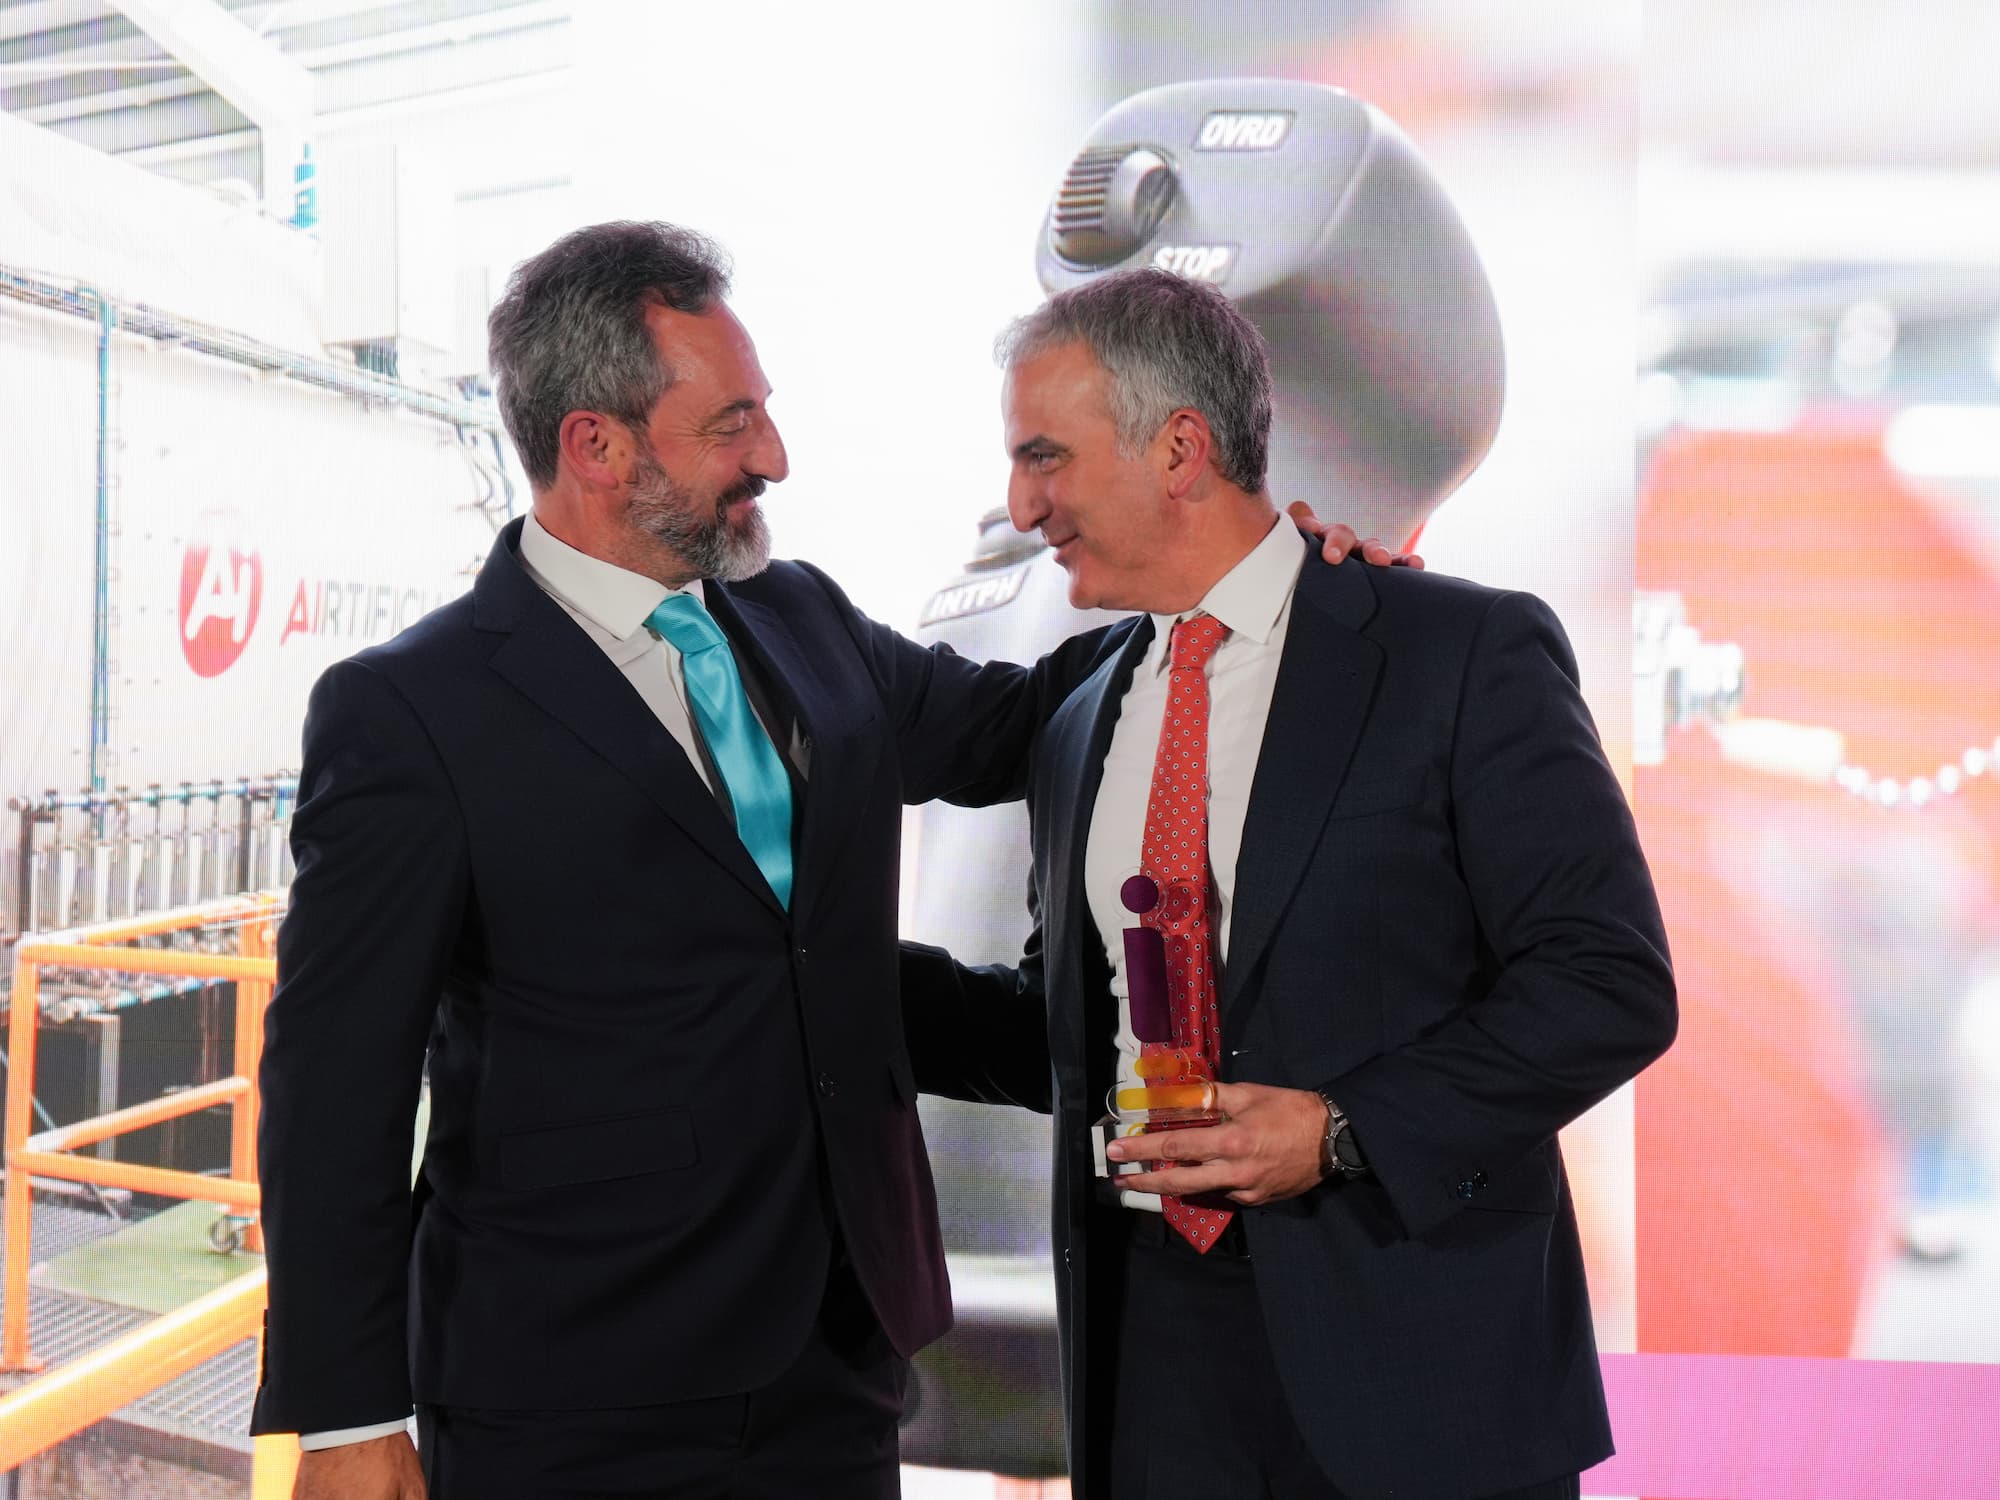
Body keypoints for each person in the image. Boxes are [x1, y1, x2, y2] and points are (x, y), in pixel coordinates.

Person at [252, 222, 1391, 1500]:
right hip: (572, 1388)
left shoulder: (797, 615)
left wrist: (1256, 585)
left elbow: (1028, 719)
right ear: (595, 446)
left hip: (840, 1357)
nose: (772, 457)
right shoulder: (413, 712)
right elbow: (335, 1083)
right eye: (730, 425)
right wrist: (346, 1416)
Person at [903, 268, 1678, 1500]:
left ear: (1178, 449)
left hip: (1422, 1372)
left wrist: (1339, 1130)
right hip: (1152, 1368)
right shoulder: (1077, 706)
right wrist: (814, 979)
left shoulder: (1455, 652)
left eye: (1043, 456)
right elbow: (1066, 1032)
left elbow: (1606, 984)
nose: (1021, 503)